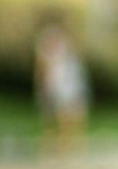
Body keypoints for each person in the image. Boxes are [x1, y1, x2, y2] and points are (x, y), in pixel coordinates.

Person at [34, 23, 89, 154]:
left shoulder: (66, 52)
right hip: (56, 87)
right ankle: (57, 145)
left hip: (66, 86)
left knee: (69, 116)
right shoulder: (49, 52)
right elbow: (42, 70)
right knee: (55, 117)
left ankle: (70, 145)